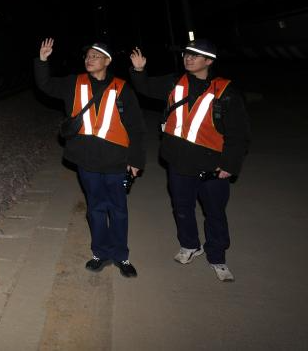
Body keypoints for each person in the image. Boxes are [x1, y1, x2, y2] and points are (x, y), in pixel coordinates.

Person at [129, 38, 250, 282]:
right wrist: (139, 71)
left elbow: (239, 133)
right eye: (187, 54)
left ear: (209, 61)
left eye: (195, 55)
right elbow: (145, 88)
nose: (189, 58)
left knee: (215, 212)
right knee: (182, 208)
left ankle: (217, 256)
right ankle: (190, 245)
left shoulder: (226, 91)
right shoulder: (175, 82)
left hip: (213, 165)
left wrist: (229, 165)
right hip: (178, 161)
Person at [35, 38, 146, 278]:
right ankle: (100, 253)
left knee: (118, 210)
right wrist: (43, 61)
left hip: (116, 160)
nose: (89, 59)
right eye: (87, 56)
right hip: (86, 160)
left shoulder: (122, 88)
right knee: (95, 208)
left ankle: (121, 256)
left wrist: (136, 161)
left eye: (96, 56)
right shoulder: (74, 82)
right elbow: (45, 85)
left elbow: (136, 127)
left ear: (107, 61)